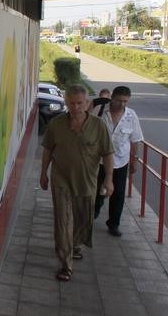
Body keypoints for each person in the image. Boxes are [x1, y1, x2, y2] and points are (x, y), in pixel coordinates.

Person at [40, 84, 113, 282]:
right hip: (61, 179)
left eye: (80, 103)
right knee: (63, 222)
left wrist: (109, 178)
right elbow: (47, 148)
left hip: (87, 181)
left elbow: (107, 153)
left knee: (82, 219)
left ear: (87, 103)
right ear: (66, 103)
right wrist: (43, 173)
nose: (76, 107)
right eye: (71, 103)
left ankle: (76, 244)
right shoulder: (56, 124)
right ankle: (65, 263)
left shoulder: (98, 126)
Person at [94, 85, 144, 236]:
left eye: (125, 101)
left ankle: (113, 224)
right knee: (97, 190)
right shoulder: (101, 112)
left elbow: (135, 140)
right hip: (100, 162)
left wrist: (134, 160)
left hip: (121, 162)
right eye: (118, 100)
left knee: (119, 194)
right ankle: (94, 210)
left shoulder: (131, 116)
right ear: (112, 98)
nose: (121, 104)